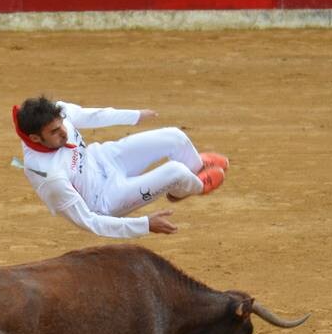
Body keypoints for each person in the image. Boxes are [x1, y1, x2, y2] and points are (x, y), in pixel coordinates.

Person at [12, 97, 229, 238]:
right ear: (34, 138)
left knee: (175, 136)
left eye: (61, 125)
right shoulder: (50, 177)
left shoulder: (59, 112)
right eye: (54, 132)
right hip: (105, 199)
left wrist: (134, 115)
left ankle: (185, 182)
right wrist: (143, 225)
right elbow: (89, 221)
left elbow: (91, 115)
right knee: (176, 170)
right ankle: (196, 185)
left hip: (102, 159)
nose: (64, 133)